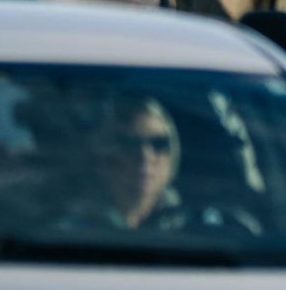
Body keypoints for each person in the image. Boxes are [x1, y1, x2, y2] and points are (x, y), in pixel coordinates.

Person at [60, 96, 262, 237]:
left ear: (173, 154)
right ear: (103, 157)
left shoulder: (205, 226)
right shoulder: (67, 230)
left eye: (159, 144)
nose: (145, 156)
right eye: (130, 144)